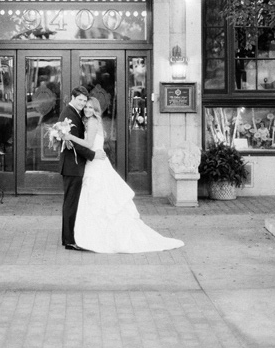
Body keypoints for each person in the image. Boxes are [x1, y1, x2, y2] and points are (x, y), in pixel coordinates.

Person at [63, 97, 184, 254]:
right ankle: (96, 235)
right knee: (99, 201)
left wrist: (69, 136)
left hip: (96, 166)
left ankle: (98, 237)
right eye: (85, 107)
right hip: (95, 163)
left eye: (91, 108)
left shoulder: (92, 122)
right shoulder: (90, 121)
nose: (87, 110)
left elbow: (87, 144)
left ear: (96, 110)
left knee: (99, 200)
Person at [59, 86, 106, 250]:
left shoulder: (77, 114)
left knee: (75, 202)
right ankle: (69, 240)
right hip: (72, 166)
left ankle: (74, 236)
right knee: (71, 203)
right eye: (80, 100)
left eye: (85, 101)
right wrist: (92, 155)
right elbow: (71, 143)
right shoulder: (68, 114)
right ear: (72, 97)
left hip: (78, 166)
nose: (82, 104)